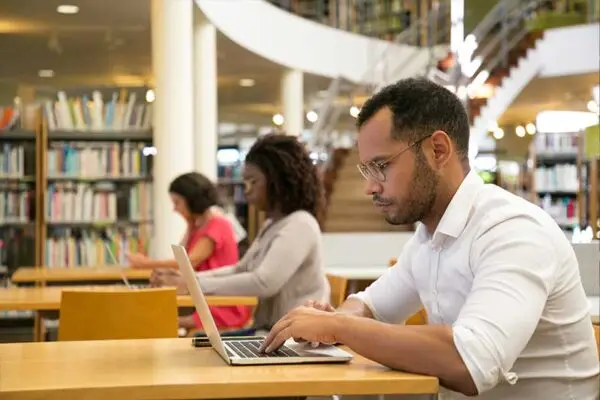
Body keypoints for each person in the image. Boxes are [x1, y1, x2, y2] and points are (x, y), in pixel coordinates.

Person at [260, 78, 600, 399]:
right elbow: (371, 307)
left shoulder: (513, 230)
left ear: (438, 150)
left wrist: (337, 327)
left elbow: (470, 362)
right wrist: (331, 320)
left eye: (381, 165)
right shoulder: (428, 238)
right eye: (367, 170)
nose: (370, 187)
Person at [151, 133, 329, 333]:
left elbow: (263, 282)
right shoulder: (273, 224)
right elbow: (240, 269)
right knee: (198, 344)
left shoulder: (300, 224)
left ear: (278, 181)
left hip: (291, 338)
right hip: (269, 331)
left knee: (196, 346)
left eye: (253, 182)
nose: (247, 191)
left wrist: (192, 284)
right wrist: (189, 277)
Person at [127, 172, 251, 331]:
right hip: (205, 299)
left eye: (177, 202)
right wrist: (189, 223)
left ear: (192, 201)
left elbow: (188, 261)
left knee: (158, 320)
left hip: (222, 305)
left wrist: (145, 264)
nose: (174, 209)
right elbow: (180, 254)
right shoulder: (198, 225)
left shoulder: (218, 224)